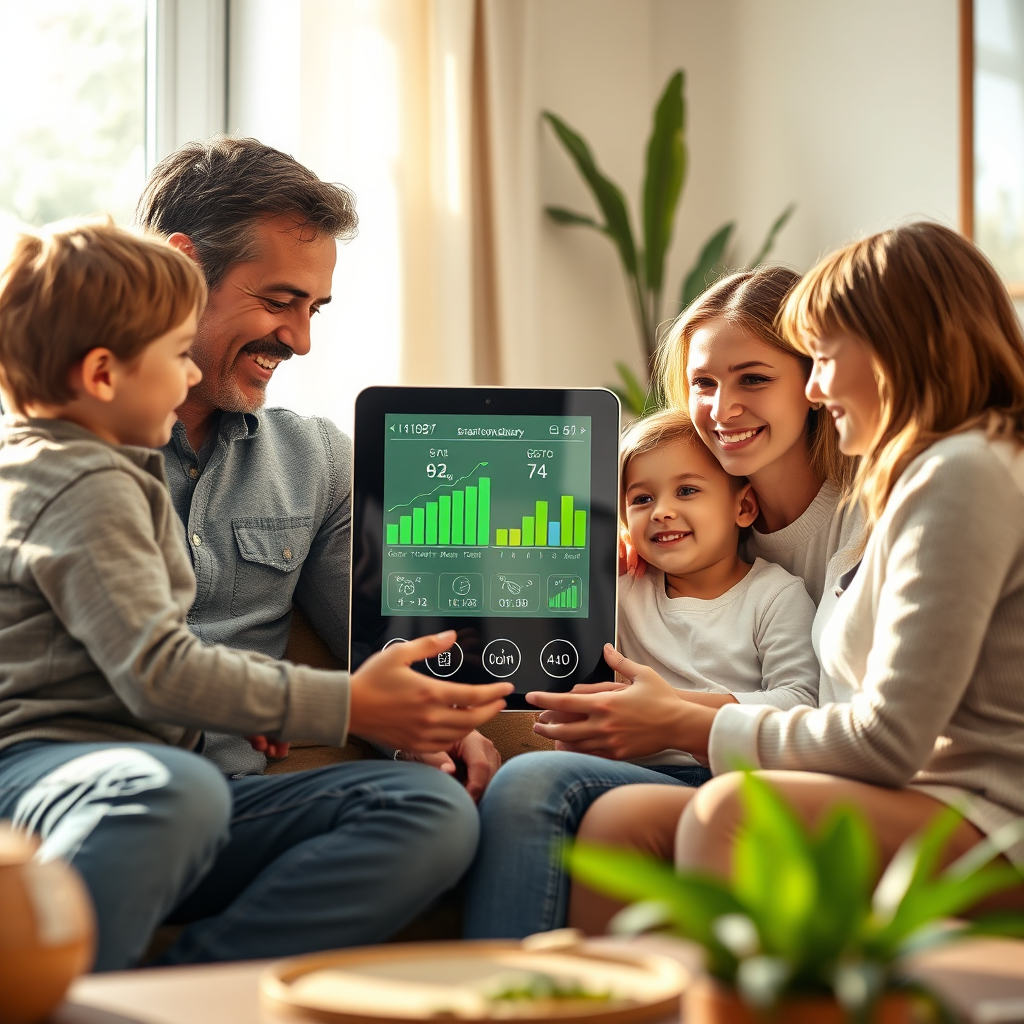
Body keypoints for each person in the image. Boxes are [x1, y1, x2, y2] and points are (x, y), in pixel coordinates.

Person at [0, 219, 512, 971]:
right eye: (175, 356)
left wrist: (263, 703)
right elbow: (158, 670)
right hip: (52, 778)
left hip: (177, 791)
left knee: (424, 810)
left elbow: (357, 626)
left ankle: (186, 996)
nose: (183, 380)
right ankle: (57, 989)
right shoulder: (79, 480)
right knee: (174, 792)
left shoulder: (123, 467)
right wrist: (337, 704)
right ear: (105, 375)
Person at [571, 220, 1024, 933]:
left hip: (984, 816)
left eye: (823, 356)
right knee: (621, 820)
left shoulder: (962, 473)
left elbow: (886, 740)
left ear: (891, 349)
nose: (816, 386)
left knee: (730, 814)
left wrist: (692, 723)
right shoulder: (908, 479)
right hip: (906, 792)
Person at [463, 266, 855, 939]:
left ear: (815, 380)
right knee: (539, 783)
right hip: (659, 767)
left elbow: (826, 710)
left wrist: (673, 718)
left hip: (781, 769)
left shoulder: (842, 538)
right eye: (704, 383)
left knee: (556, 794)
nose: (723, 408)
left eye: (753, 378)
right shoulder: (648, 559)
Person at [134, 136, 501, 791]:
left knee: (426, 807)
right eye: (279, 302)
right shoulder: (61, 459)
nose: (300, 340)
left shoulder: (319, 460)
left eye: (314, 310)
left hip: (245, 798)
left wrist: (427, 728)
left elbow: (379, 642)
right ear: (182, 270)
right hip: (105, 790)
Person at [613, 409, 819, 779]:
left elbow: (802, 702)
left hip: (729, 774)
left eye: (687, 491)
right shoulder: (624, 591)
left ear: (743, 507)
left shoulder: (774, 596)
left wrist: (669, 709)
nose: (661, 512)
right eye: (641, 500)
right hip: (628, 772)